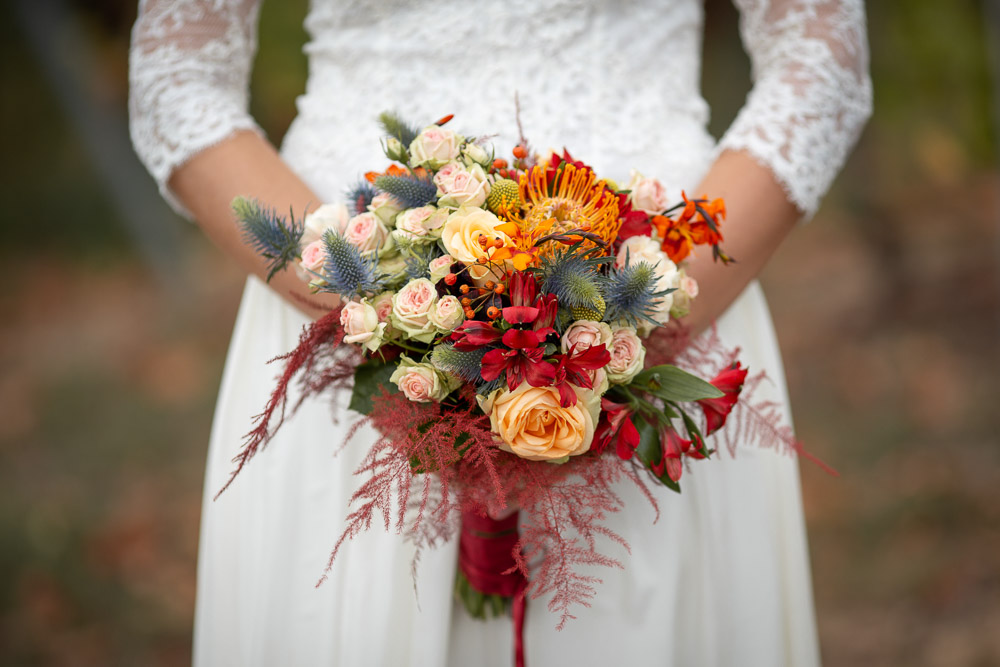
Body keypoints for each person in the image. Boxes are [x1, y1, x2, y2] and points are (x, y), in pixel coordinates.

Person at [129, 1, 872, 665]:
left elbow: (821, 60)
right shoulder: (366, 314)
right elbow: (177, 82)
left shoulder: (646, 319)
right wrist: (383, 314)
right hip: (343, 336)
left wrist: (622, 333)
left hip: (673, 295)